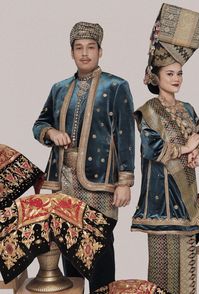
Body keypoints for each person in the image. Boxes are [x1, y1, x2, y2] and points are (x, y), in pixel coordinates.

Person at [33, 21, 135, 293]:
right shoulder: (59, 88)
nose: (85, 53)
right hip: (63, 182)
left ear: (100, 51)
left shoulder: (116, 86)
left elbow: (125, 135)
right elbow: (39, 124)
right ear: (71, 52)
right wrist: (51, 132)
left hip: (100, 185)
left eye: (91, 47)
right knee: (69, 252)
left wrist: (125, 181)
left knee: (100, 251)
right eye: (79, 48)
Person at [131, 4, 199, 294]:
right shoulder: (149, 110)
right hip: (161, 200)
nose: (176, 79)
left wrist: (197, 151)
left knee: (188, 268)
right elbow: (152, 148)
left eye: (179, 73)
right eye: (170, 74)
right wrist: (184, 147)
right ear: (156, 77)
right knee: (162, 268)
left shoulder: (187, 108)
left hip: (187, 192)